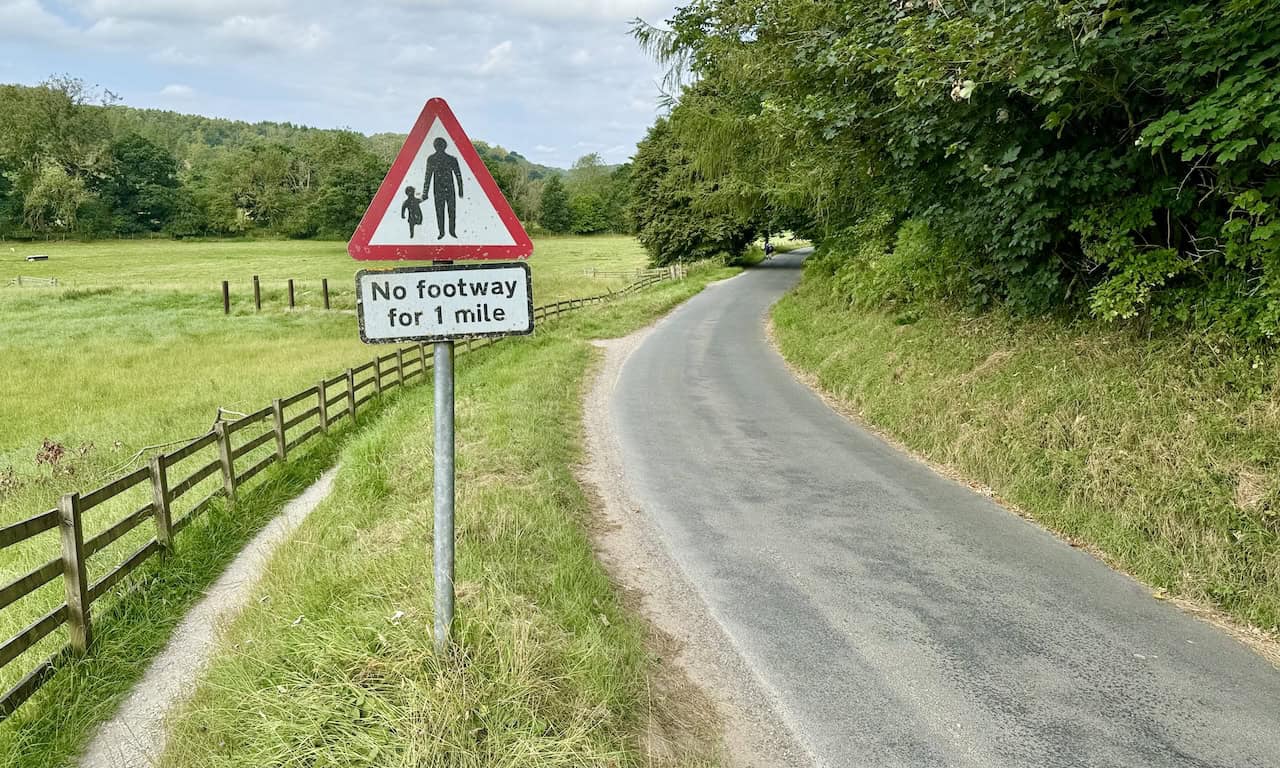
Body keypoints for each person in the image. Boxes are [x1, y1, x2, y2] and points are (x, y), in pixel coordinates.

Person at [424, 138, 464, 239]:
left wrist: (460, 190)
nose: (439, 147)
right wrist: (425, 192)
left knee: (452, 211)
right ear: (435, 146)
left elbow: (458, 175)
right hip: (438, 190)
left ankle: (452, 231)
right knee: (439, 212)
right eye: (438, 145)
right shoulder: (431, 159)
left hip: (450, 189)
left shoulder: (452, 159)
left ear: (445, 146)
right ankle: (441, 232)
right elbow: (427, 176)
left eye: (441, 145)